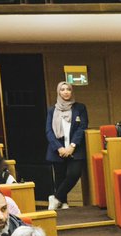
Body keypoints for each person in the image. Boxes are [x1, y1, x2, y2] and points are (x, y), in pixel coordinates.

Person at [45, 81, 88, 211]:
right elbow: (48, 131)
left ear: (71, 91)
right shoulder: (52, 110)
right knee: (59, 177)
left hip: (75, 147)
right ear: (58, 92)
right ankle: (63, 202)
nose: (65, 92)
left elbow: (82, 127)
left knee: (74, 174)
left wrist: (72, 146)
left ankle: (56, 197)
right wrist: (59, 148)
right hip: (57, 148)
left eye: (68, 89)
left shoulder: (80, 108)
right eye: (62, 90)